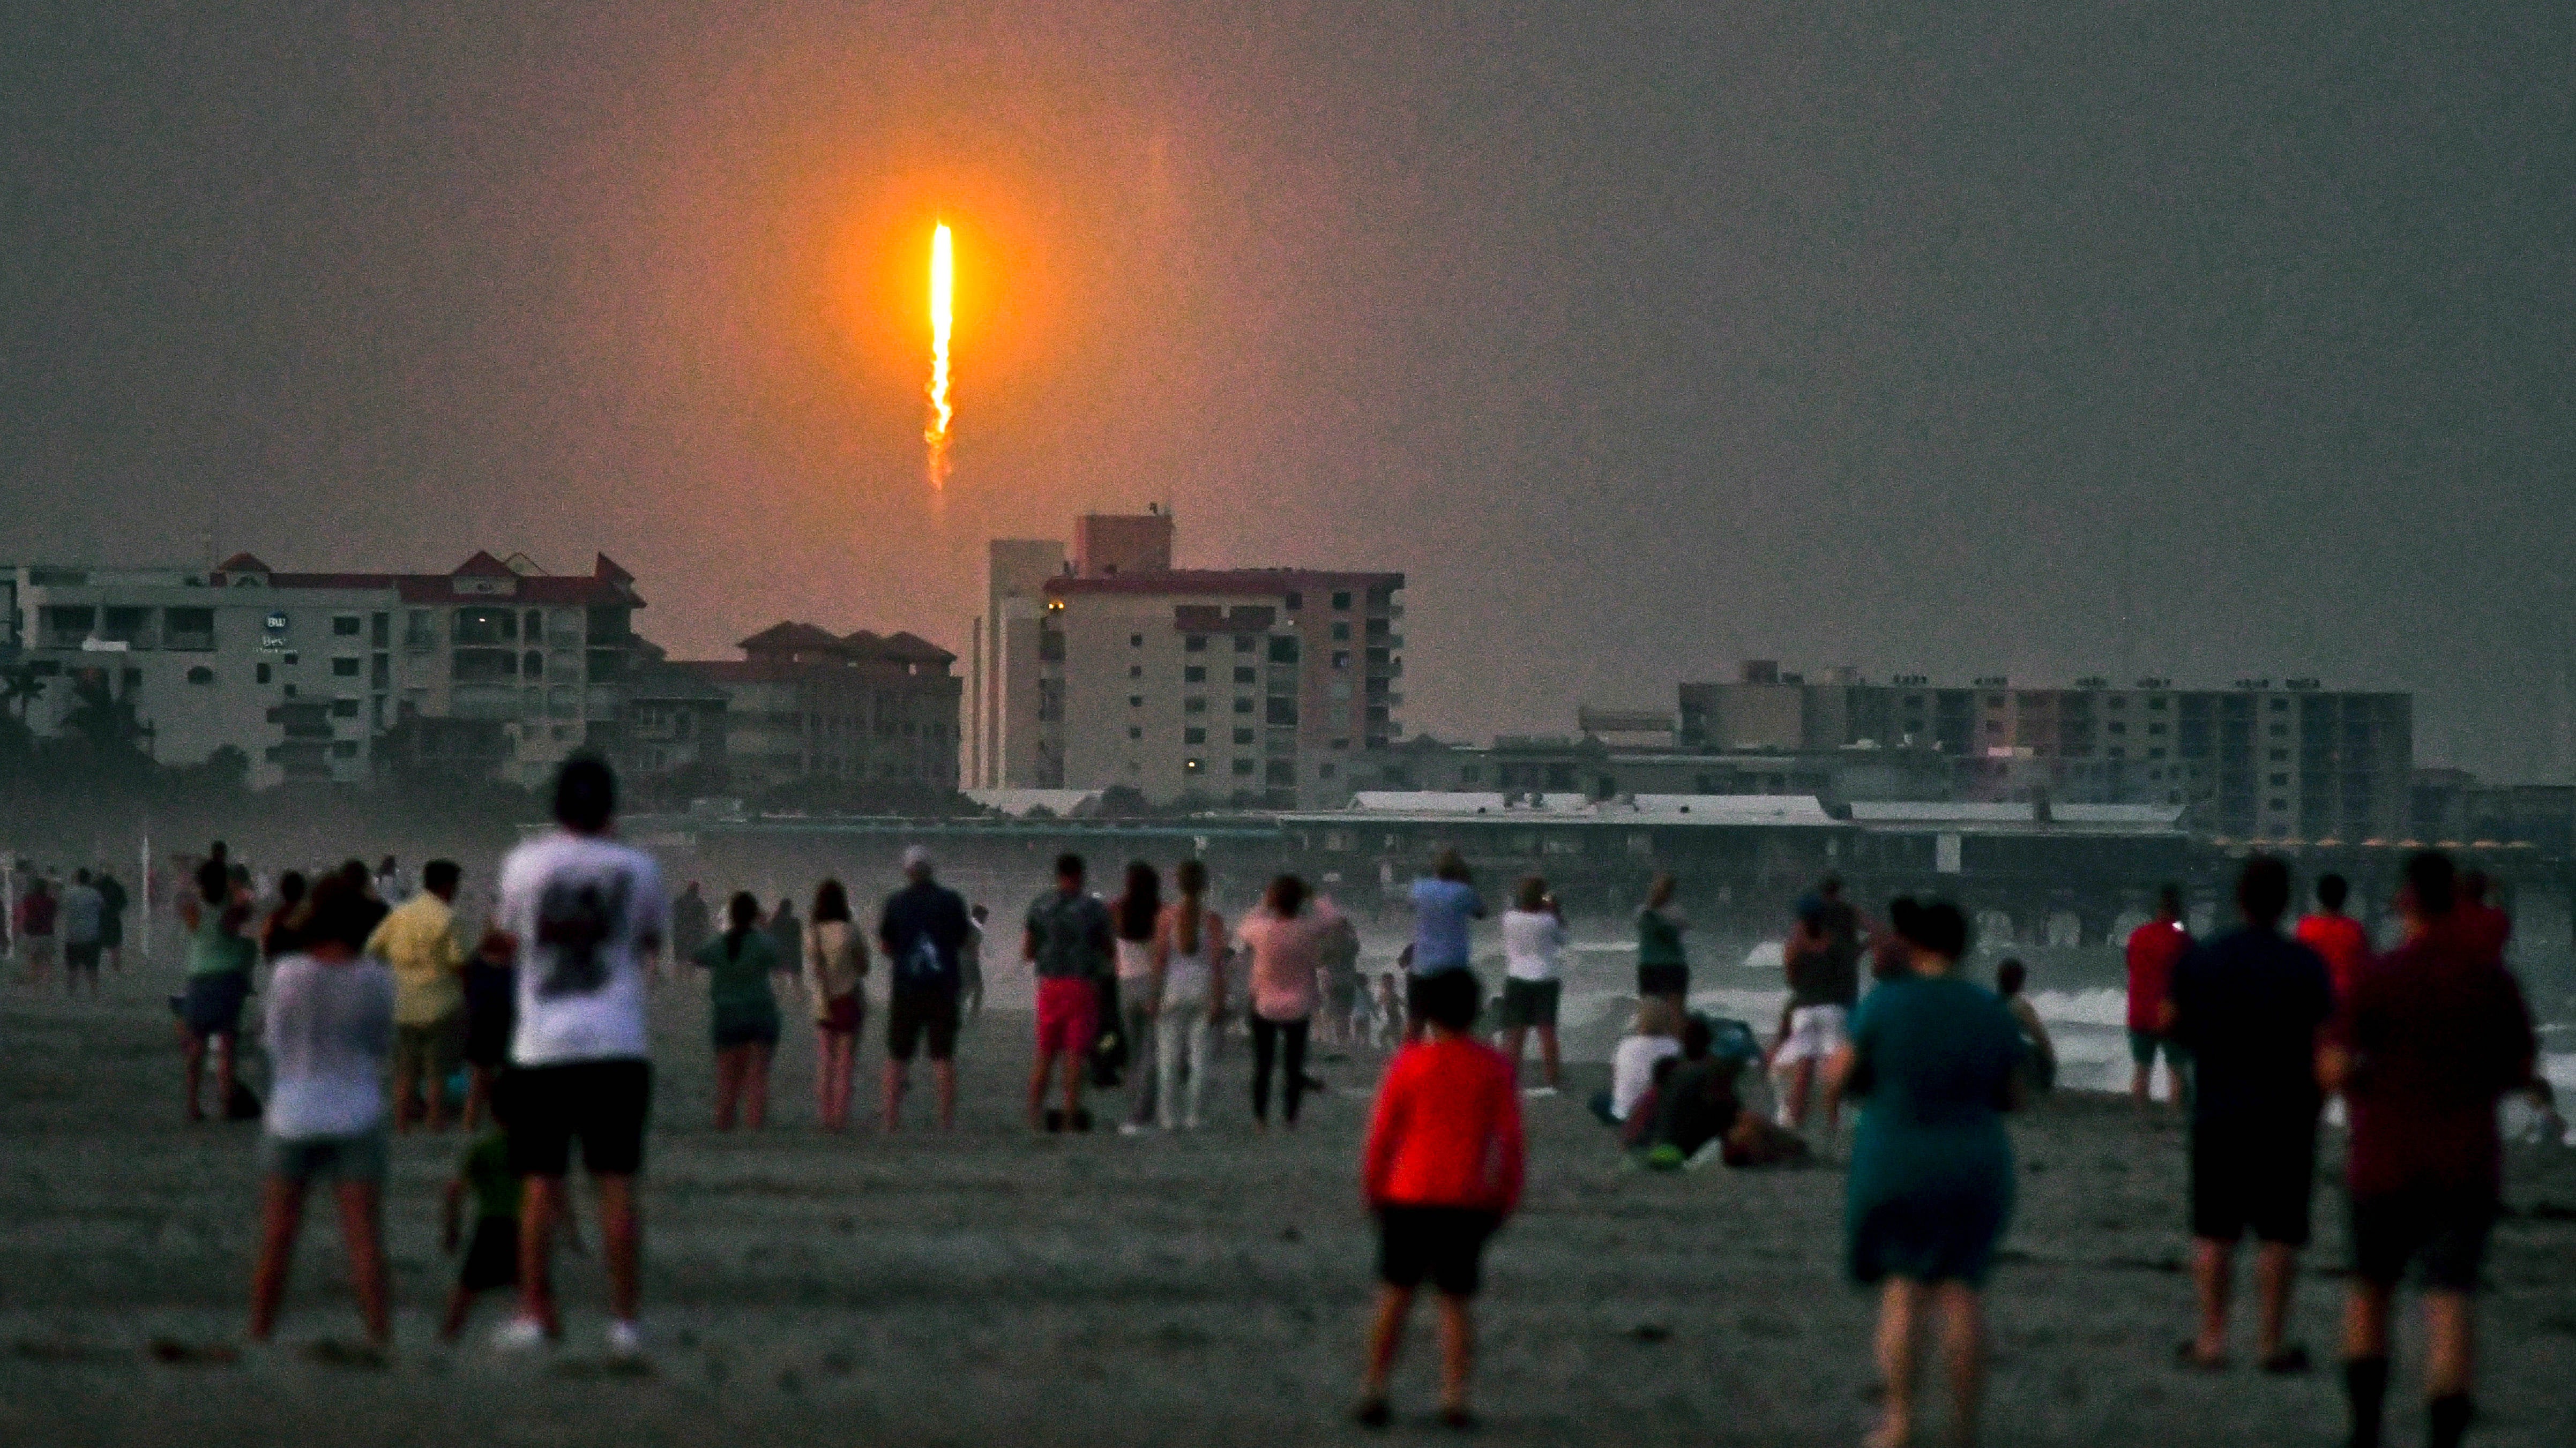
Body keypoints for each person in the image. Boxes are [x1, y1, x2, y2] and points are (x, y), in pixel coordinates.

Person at [2323, 852, 2537, 1448]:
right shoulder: (2492, 982)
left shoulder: (2379, 975)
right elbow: (2520, 1070)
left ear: (2403, 902)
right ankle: (2443, 1437)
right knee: (2449, 1300)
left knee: (2370, 1291)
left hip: (2383, 1159)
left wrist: (2366, 1086)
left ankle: (2365, 1430)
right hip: (2465, 1162)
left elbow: (2333, 1067)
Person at [1826, 898, 2024, 1448]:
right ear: (1964, 947)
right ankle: (1962, 1432)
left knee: (1904, 1290)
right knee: (1961, 1292)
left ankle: (1901, 1423)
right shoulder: (1989, 1009)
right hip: (1973, 1162)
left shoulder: (1886, 1002)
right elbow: (2014, 1095)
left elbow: (1837, 1077)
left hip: (1896, 1158)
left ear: (1914, 945)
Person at [491, 757, 666, 1358]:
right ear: (611, 809)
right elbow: (648, 941)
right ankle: (626, 1322)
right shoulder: (638, 869)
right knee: (616, 1185)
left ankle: (535, 1314)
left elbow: (510, 935)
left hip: (543, 1045)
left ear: (557, 807)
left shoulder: (525, 864)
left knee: (540, 1186)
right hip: (616, 1042)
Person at [2166, 855, 2334, 1374]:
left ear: (2238, 898)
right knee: (2279, 1234)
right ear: (2286, 903)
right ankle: (2270, 1343)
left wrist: (2206, 1044)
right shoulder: (2306, 964)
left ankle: (2212, 1340)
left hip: (2219, 1109)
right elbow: (2326, 1043)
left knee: (2214, 1231)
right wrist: (2318, 1100)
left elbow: (2169, 1022)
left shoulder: (2204, 958)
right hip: (2286, 1114)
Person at [1356, 968, 1525, 1430]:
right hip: (1465, 1197)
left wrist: (1372, 1189)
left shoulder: (1409, 1062)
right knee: (1454, 1302)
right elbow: (1510, 1141)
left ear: (1429, 1012)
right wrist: (1505, 1196)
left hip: (1407, 1192)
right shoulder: (1494, 1066)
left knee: (1395, 1296)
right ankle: (1454, 1396)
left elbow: (1382, 1134)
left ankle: (1375, 1387)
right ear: (1476, 1010)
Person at [247, 873, 397, 1354]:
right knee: (363, 1237)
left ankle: (260, 1334)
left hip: (293, 1111)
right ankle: (380, 1336)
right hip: (356, 1110)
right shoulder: (376, 978)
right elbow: (381, 1044)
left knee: (278, 1236)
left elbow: (274, 1042)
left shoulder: (288, 973)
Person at [440, 1096, 581, 1342]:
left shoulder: (483, 1149)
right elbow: (557, 1193)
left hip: (491, 1227)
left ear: (494, 1117)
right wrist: (570, 1231)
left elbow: (454, 1192)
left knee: (467, 1289)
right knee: (537, 1286)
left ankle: (447, 1337)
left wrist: (452, 1230)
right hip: (526, 1226)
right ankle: (555, 1338)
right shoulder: (537, 1149)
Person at [370, 859, 470, 1133]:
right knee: (436, 1072)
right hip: (441, 1006)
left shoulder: (400, 914)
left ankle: (402, 1124)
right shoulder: (448, 918)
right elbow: (459, 963)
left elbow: (374, 948)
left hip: (404, 1005)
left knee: (405, 1072)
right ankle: (434, 1122)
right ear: (447, 886)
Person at [1237, 874, 1342, 1131]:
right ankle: (1290, 1118)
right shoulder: (1307, 929)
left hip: (1265, 1004)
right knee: (1294, 1065)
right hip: (1299, 1004)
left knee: (1263, 1064)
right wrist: (1313, 896)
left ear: (1275, 901)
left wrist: (1265, 903)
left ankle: (1261, 1120)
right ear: (1299, 901)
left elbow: (1243, 926)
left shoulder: (1261, 930)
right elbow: (1334, 918)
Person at [878, 846, 973, 1131]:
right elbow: (964, 941)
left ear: (907, 871)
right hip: (943, 988)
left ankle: (891, 1121)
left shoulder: (896, 902)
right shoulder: (952, 901)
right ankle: (946, 1122)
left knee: (897, 1057)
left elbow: (885, 946)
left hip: (907, 988)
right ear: (932, 870)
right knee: (943, 1057)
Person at [1024, 853, 1113, 1132]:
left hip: (1049, 987)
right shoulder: (1094, 909)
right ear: (1080, 875)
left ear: (1058, 874)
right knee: (1075, 1055)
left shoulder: (1039, 906)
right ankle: (1070, 1116)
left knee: (1045, 1053)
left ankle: (1034, 1117)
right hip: (1081, 986)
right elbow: (1109, 950)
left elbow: (1028, 952)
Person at [1775, 879, 1864, 1134]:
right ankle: (1833, 1121)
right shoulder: (1835, 943)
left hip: (1804, 1010)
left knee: (1804, 1065)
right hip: (1833, 1010)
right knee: (1832, 1065)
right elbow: (1847, 972)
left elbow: (1792, 980)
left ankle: (1796, 1119)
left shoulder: (1794, 945)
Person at [1152, 859, 1228, 1131]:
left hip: (1172, 991)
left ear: (1178, 884)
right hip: (1203, 992)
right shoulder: (1212, 920)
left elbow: (1160, 961)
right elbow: (1218, 964)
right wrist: (1220, 999)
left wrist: (1154, 996)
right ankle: (1195, 1116)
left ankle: (1169, 1117)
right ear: (1205, 886)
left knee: (1168, 1060)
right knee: (1200, 1060)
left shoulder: (1166, 917)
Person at [697, 892, 782, 1131]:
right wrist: (764, 928)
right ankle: (754, 1126)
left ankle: (724, 1122)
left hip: (728, 1015)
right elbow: (777, 959)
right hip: (761, 1013)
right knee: (758, 1077)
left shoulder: (719, 943)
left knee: (727, 1077)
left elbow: (699, 957)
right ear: (755, 915)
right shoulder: (764, 943)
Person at [180, 859, 256, 1122]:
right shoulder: (231, 909)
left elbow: (192, 919)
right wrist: (236, 891)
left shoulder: (193, 910)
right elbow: (244, 916)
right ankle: (226, 1106)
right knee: (226, 1047)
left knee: (196, 1047)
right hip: (228, 981)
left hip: (199, 980)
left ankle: (193, 1106)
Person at [803, 879, 868, 1132]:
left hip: (824, 1003)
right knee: (845, 1066)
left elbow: (816, 968)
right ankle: (840, 1118)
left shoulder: (813, 933)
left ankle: (825, 1116)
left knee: (826, 1064)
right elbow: (864, 967)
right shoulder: (851, 931)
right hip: (849, 1000)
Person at [2125, 884, 2194, 1113]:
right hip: (2170, 1015)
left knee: (2141, 1070)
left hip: (2139, 1013)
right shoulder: (2182, 938)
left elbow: (2130, 965)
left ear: (2157, 909)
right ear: (2178, 911)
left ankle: (2140, 1116)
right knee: (2176, 1072)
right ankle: (2175, 1115)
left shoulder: (2138, 935)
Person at [1497, 876, 1568, 1094]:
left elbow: (1515, 910)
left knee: (1516, 1034)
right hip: (1546, 977)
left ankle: (1510, 1081)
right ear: (1541, 898)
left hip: (1517, 977)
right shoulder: (1548, 921)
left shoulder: (1509, 919)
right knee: (1547, 1032)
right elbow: (1563, 939)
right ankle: (1553, 1080)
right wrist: (1555, 911)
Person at [1405, 850, 1485, 1038]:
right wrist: (1467, 882)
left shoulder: (1420, 888)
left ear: (1435, 868)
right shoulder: (1463, 891)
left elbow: (1410, 906)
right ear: (1458, 871)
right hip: (1453, 969)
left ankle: (1406, 1057)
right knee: (1452, 1030)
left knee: (1415, 1025)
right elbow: (1481, 913)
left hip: (1422, 967)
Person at [1112, 860, 1164, 1134]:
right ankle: (1143, 1112)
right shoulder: (1161, 912)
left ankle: (1134, 1107)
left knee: (1133, 1052)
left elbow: (1110, 948)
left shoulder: (1117, 910)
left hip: (1126, 984)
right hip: (1152, 983)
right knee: (1151, 1052)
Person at [1593, 999, 1683, 1127]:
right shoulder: (1674, 1047)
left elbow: (1615, 1073)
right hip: (1661, 1113)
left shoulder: (1626, 1045)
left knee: (1598, 1100)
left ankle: (1622, 1126)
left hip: (1626, 1114)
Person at [459, 928, 515, 1131]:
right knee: (505, 1079)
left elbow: (468, 993)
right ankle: (502, 1120)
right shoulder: (510, 971)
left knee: (478, 1078)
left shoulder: (476, 966)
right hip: (502, 1026)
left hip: (480, 1026)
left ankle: (470, 1122)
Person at [2295, 873, 2372, 1003]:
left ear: (2320, 896)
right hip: (2347, 997)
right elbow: (2365, 967)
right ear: (2344, 897)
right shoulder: (2354, 930)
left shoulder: (2306, 928)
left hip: (2314, 997)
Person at [1995, 960, 2056, 1096]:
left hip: (1989, 1057)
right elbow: (2039, 1036)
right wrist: (2051, 1061)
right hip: (2010, 1059)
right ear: (2020, 982)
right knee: (2034, 1051)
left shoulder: (1989, 1003)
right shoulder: (2020, 1006)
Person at [1635, 872, 1690, 1012]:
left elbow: (1683, 930)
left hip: (1667, 966)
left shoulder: (1675, 913)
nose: (1658, 893)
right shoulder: (1643, 911)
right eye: (1656, 889)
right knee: (1654, 1011)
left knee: (1671, 1011)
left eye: (1661, 890)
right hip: (1655, 966)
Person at [59, 868, 103, 997]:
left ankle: (71, 994)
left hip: (73, 937)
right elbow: (103, 907)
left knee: (72, 968)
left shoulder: (68, 893)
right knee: (92, 968)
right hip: (91, 936)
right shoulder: (95, 894)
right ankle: (94, 993)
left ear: (77, 879)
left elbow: (61, 908)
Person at [14, 874, 56, 987]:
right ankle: (46, 985)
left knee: (33, 962)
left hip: (32, 934)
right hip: (47, 934)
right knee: (47, 962)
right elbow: (54, 915)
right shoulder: (51, 901)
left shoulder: (28, 900)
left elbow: (25, 914)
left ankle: (35, 987)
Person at [262, 870, 309, 962]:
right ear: (303, 891)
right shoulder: (310, 916)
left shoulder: (272, 920)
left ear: (282, 891)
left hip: (278, 965)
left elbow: (266, 948)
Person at [669, 882, 712, 980]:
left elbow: (673, 916)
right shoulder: (700, 903)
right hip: (694, 934)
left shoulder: (679, 901)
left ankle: (678, 979)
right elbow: (704, 920)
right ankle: (689, 979)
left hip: (680, 933)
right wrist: (704, 933)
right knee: (691, 958)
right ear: (697, 890)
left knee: (679, 959)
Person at [94, 868, 127, 972]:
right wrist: (115, 910)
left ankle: (94, 972)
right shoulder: (117, 887)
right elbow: (124, 903)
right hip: (114, 921)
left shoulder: (95, 887)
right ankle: (116, 970)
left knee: (95, 947)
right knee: (115, 947)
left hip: (98, 921)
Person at [960, 903, 989, 1020]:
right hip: (969, 962)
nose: (985, 920)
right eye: (984, 917)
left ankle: (969, 1012)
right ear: (978, 915)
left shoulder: (970, 926)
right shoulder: (973, 927)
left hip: (967, 961)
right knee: (977, 988)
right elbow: (969, 944)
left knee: (971, 988)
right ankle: (974, 1014)